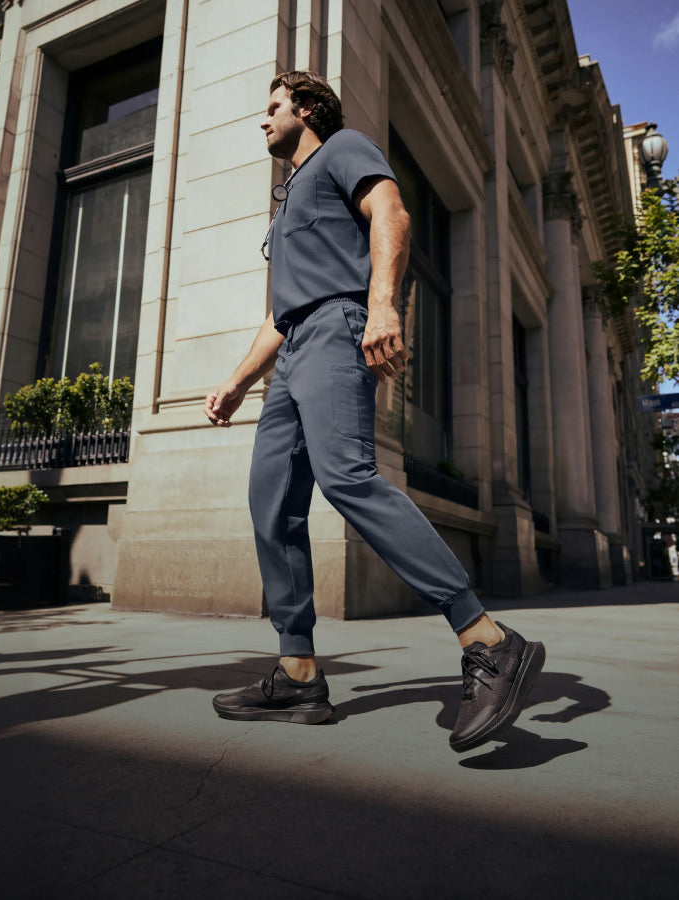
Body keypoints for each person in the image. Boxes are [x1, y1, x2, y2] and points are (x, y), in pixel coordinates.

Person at [204, 71, 545, 752]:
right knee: (271, 500)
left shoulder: (344, 148)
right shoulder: (287, 200)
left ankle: (488, 638)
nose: (263, 120)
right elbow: (279, 313)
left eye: (272, 107)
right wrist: (239, 381)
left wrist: (382, 305)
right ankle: (297, 673)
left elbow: (393, 214)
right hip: (294, 346)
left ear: (307, 109)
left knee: (347, 476)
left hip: (338, 326)